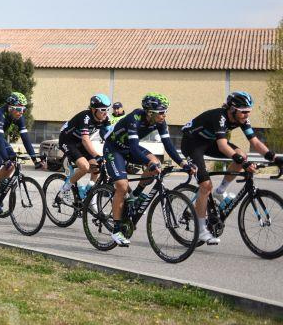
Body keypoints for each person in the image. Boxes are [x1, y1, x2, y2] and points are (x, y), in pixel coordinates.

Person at [181, 91, 281, 245]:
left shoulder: (242, 119)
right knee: (206, 186)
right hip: (192, 144)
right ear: (233, 109)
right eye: (244, 112)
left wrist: (273, 157)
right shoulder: (220, 116)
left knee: (242, 155)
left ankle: (220, 191)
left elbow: (254, 142)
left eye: (249, 111)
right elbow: (222, 146)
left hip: (209, 142)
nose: (247, 115)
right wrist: (241, 161)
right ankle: (201, 231)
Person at [102, 93, 195, 247]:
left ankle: (136, 195)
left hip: (131, 148)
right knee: (122, 186)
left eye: (166, 111)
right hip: (114, 149)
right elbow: (133, 146)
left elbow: (168, 145)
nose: (164, 115)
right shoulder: (134, 118)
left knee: (156, 162)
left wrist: (183, 163)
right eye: (161, 112)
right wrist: (148, 163)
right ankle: (116, 230)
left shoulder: (160, 122)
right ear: (150, 112)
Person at [57, 94, 113, 203]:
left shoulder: (105, 118)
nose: (106, 112)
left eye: (107, 109)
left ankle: (90, 196)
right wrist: (97, 155)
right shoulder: (85, 117)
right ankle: (65, 189)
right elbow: (85, 140)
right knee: (84, 167)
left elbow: (109, 136)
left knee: (96, 168)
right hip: (67, 140)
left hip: (79, 141)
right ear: (93, 109)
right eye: (102, 110)